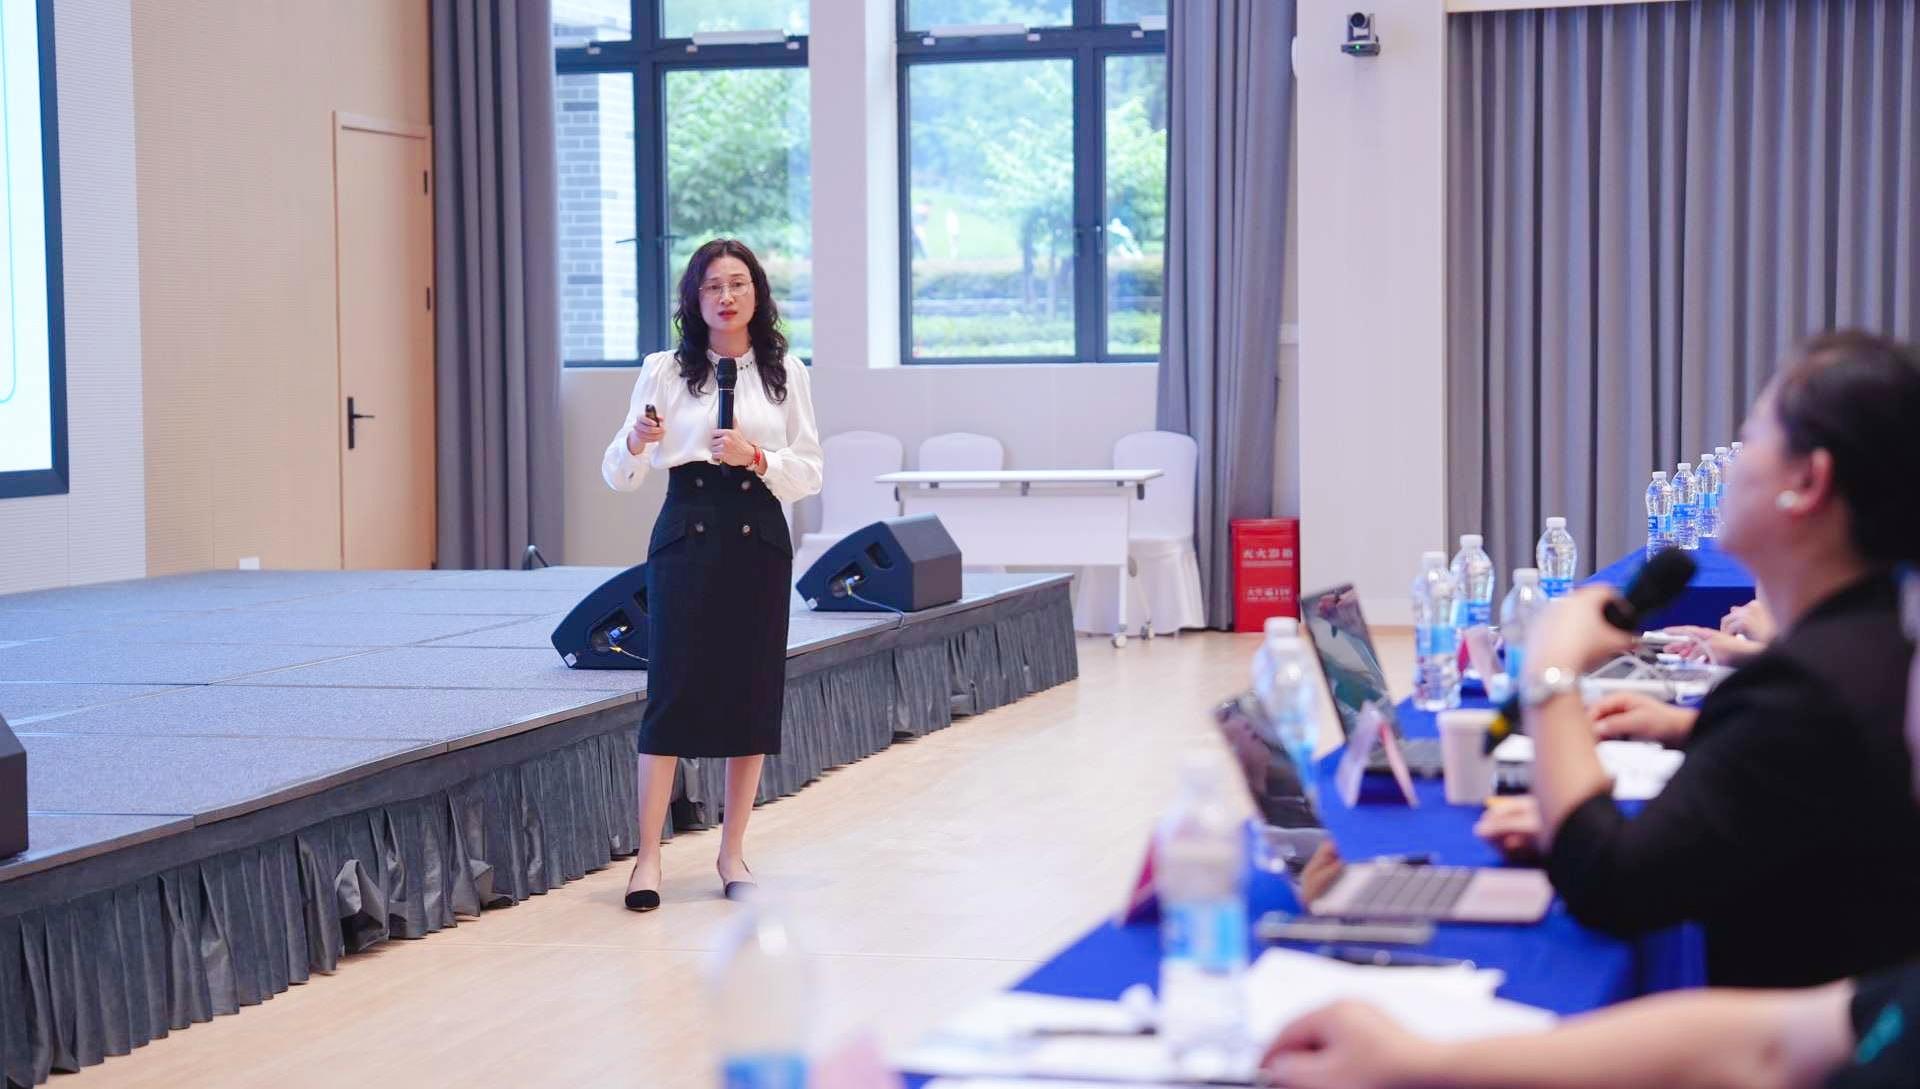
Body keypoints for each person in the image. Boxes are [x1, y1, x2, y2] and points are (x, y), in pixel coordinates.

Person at [1260, 571, 1920, 1089]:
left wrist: (1551, 670)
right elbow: (1770, 1044)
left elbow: (1615, 881)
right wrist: (1423, 1061)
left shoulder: (1829, 685)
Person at [1474, 331, 1920, 987]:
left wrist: (1552, 670)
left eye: (1751, 437)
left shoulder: (1808, 690)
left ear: (1808, 481)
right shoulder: (1874, 642)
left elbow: (1612, 885)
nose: (1733, 464)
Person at [601, 238, 823, 912]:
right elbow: (620, 472)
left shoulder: (785, 372)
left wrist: (757, 456)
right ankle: (647, 858)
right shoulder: (665, 369)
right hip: (687, 531)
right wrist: (637, 442)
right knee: (672, 691)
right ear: (694, 300)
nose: (726, 297)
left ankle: (732, 853)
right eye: (712, 287)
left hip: (758, 534)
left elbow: (810, 471)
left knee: (750, 694)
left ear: (757, 293)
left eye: (738, 284)